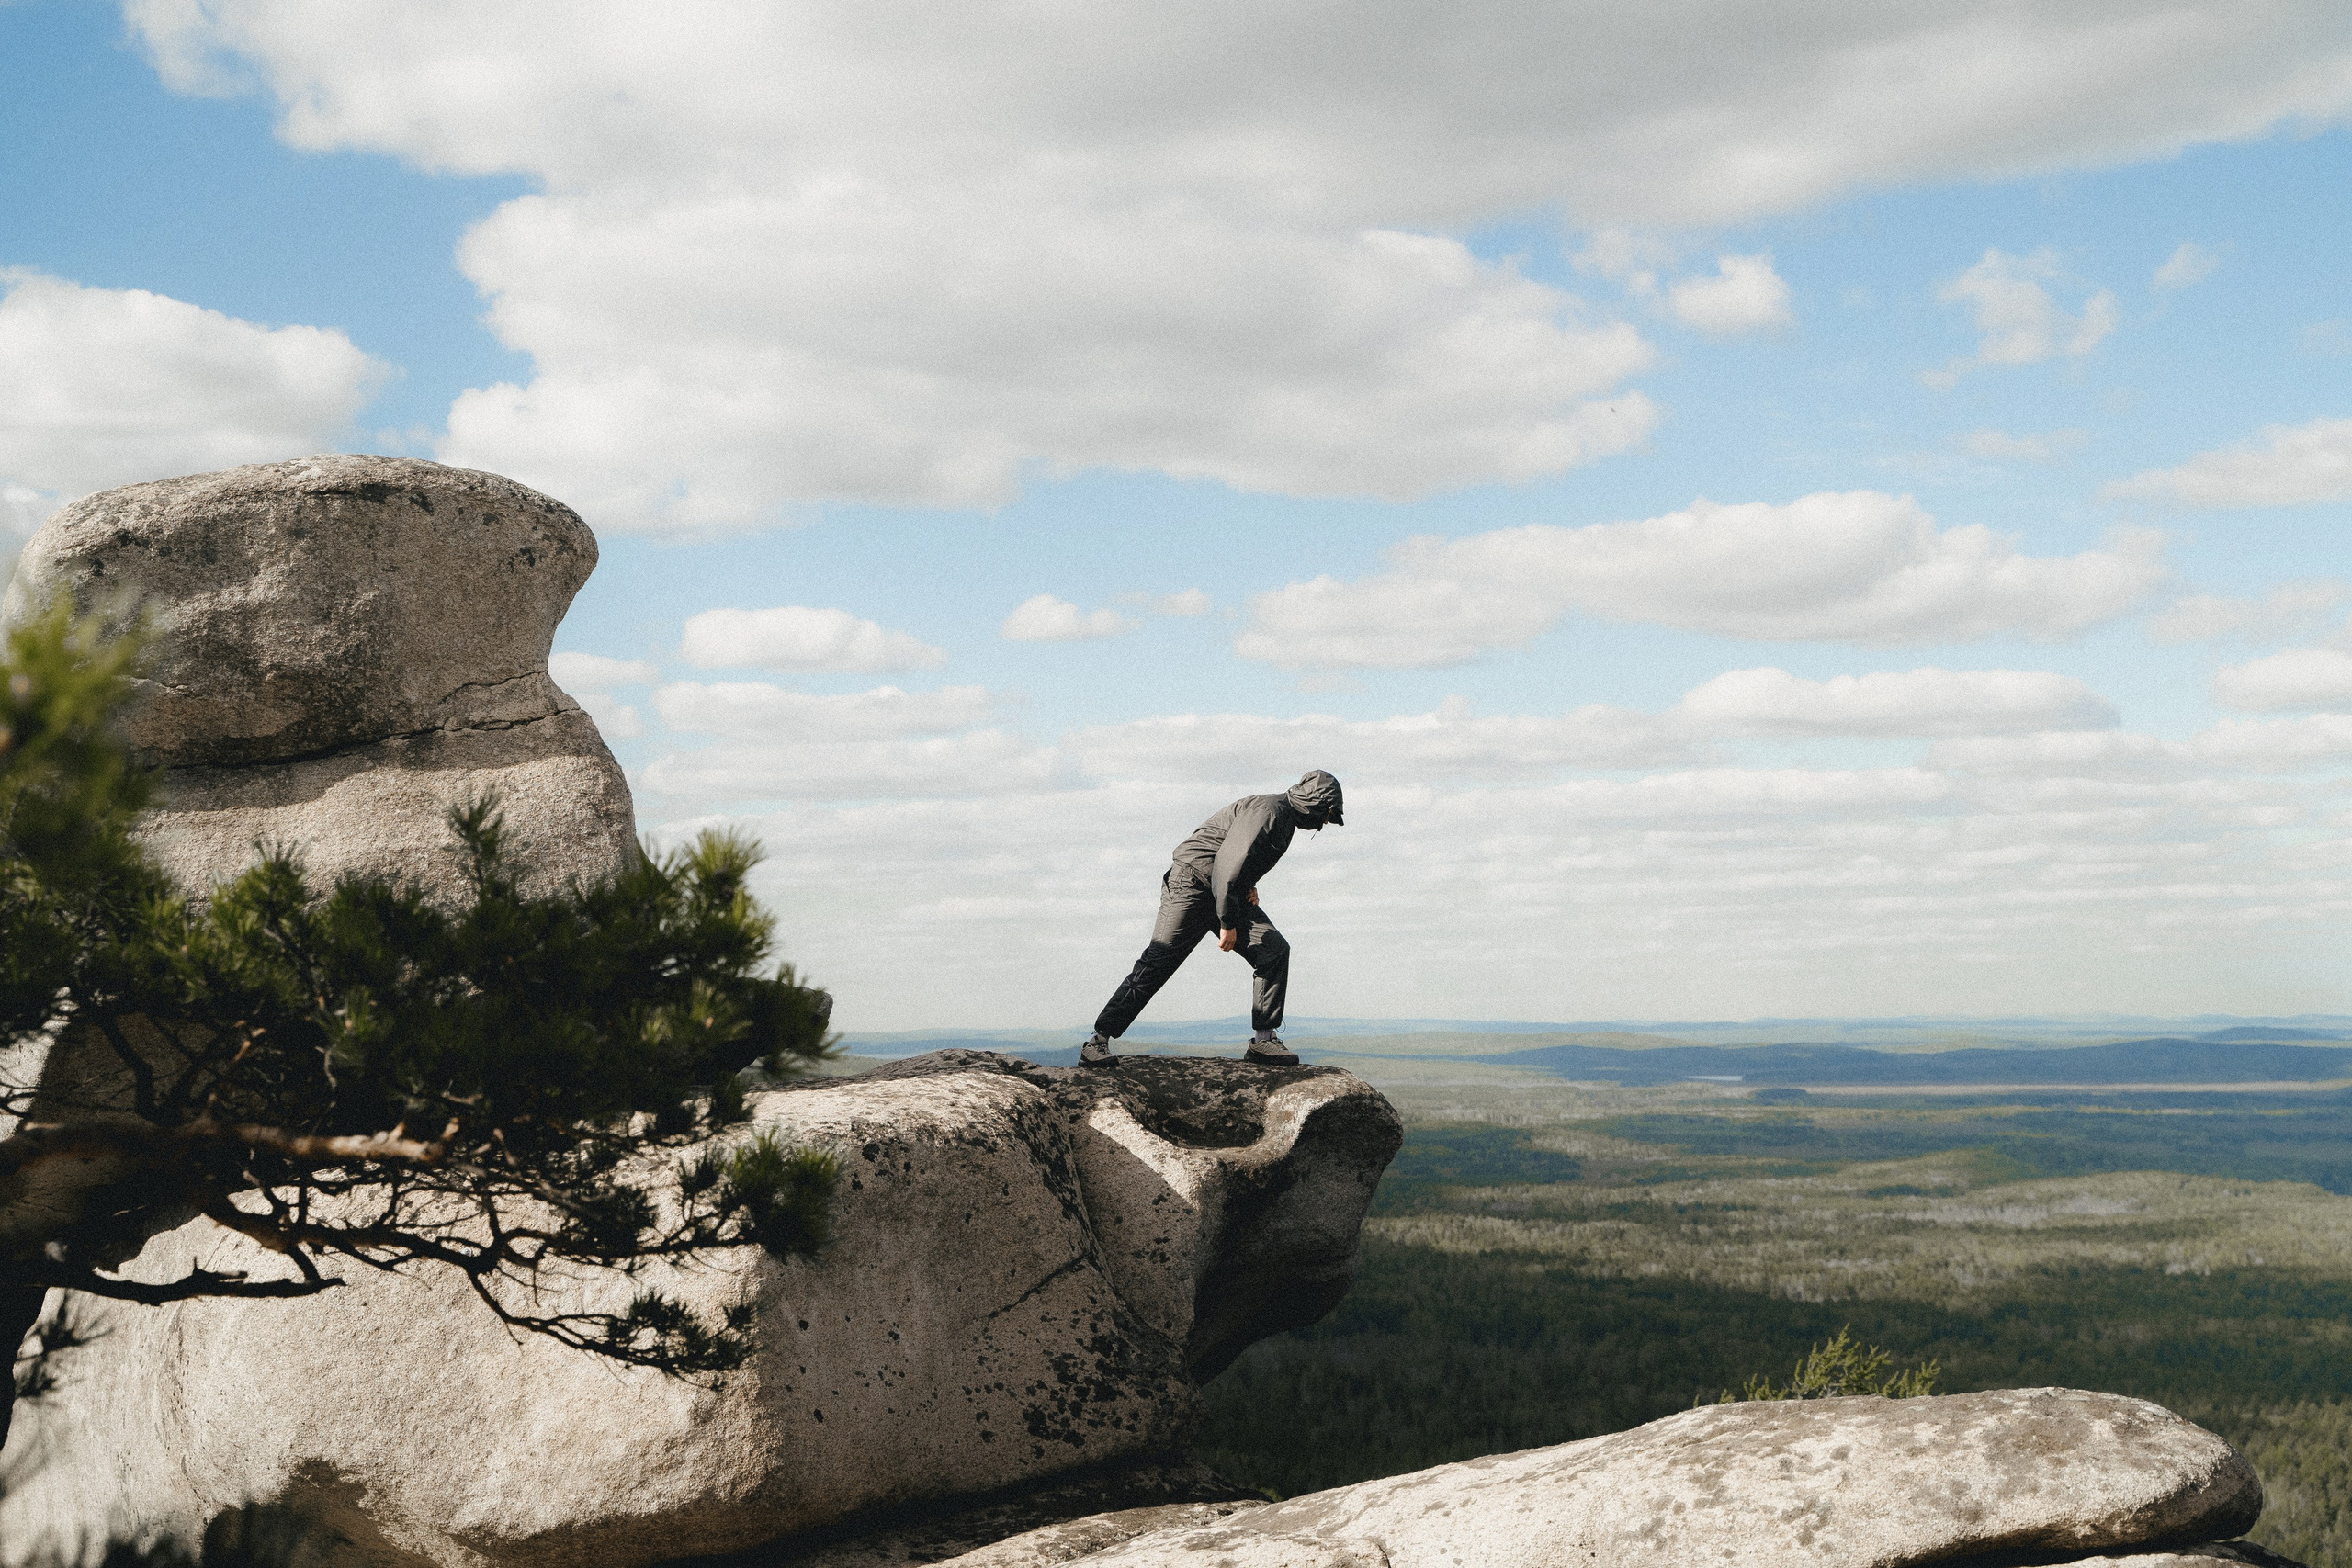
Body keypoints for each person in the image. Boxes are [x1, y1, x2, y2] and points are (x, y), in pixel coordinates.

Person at [1080, 770, 1344, 1067]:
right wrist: (1228, 924)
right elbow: (1226, 867)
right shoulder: (1269, 812)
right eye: (1328, 815)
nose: (1324, 824)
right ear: (1317, 803)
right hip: (1191, 884)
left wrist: (1248, 886)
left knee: (1273, 950)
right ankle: (1097, 1041)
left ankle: (1263, 1040)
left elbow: (1238, 863)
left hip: (1223, 890)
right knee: (1159, 959)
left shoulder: (1283, 820)